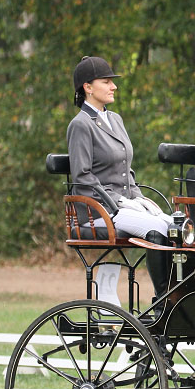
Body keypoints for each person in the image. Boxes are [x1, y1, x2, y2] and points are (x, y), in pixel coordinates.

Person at [66, 55, 173, 304]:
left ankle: (178, 297)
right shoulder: (80, 125)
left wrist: (139, 198)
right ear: (88, 87)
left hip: (125, 205)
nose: (114, 86)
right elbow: (83, 177)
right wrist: (119, 202)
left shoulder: (115, 119)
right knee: (157, 230)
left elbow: (127, 169)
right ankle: (162, 300)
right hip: (100, 211)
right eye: (106, 81)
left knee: (175, 226)